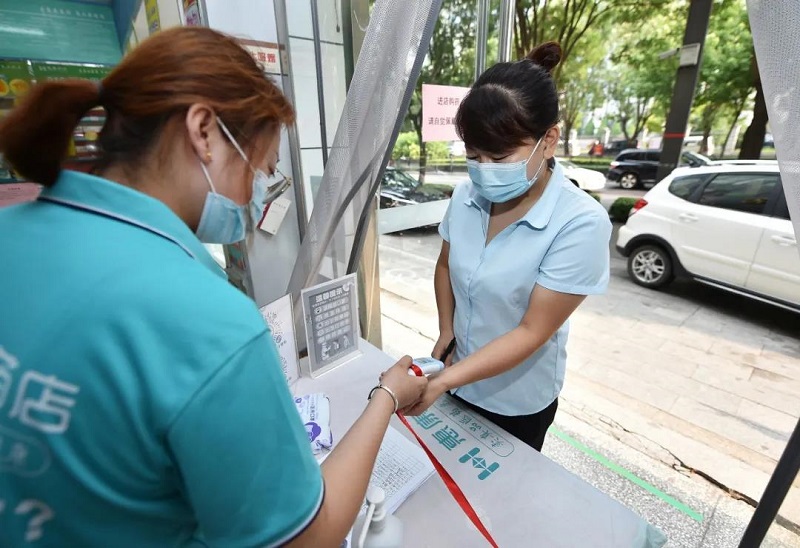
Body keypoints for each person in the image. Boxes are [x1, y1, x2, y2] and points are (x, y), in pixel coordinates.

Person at [0, 27, 426, 547]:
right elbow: (306, 537)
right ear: (203, 130)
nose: (255, 198)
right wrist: (386, 396)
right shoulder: (206, 318)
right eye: (260, 169)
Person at [403, 42, 611, 452]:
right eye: (473, 155)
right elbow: (446, 266)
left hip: (515, 400)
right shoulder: (466, 195)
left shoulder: (579, 223)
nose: (484, 171)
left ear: (548, 141)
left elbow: (533, 331)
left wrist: (443, 380)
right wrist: (447, 329)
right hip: (454, 373)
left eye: (499, 157)